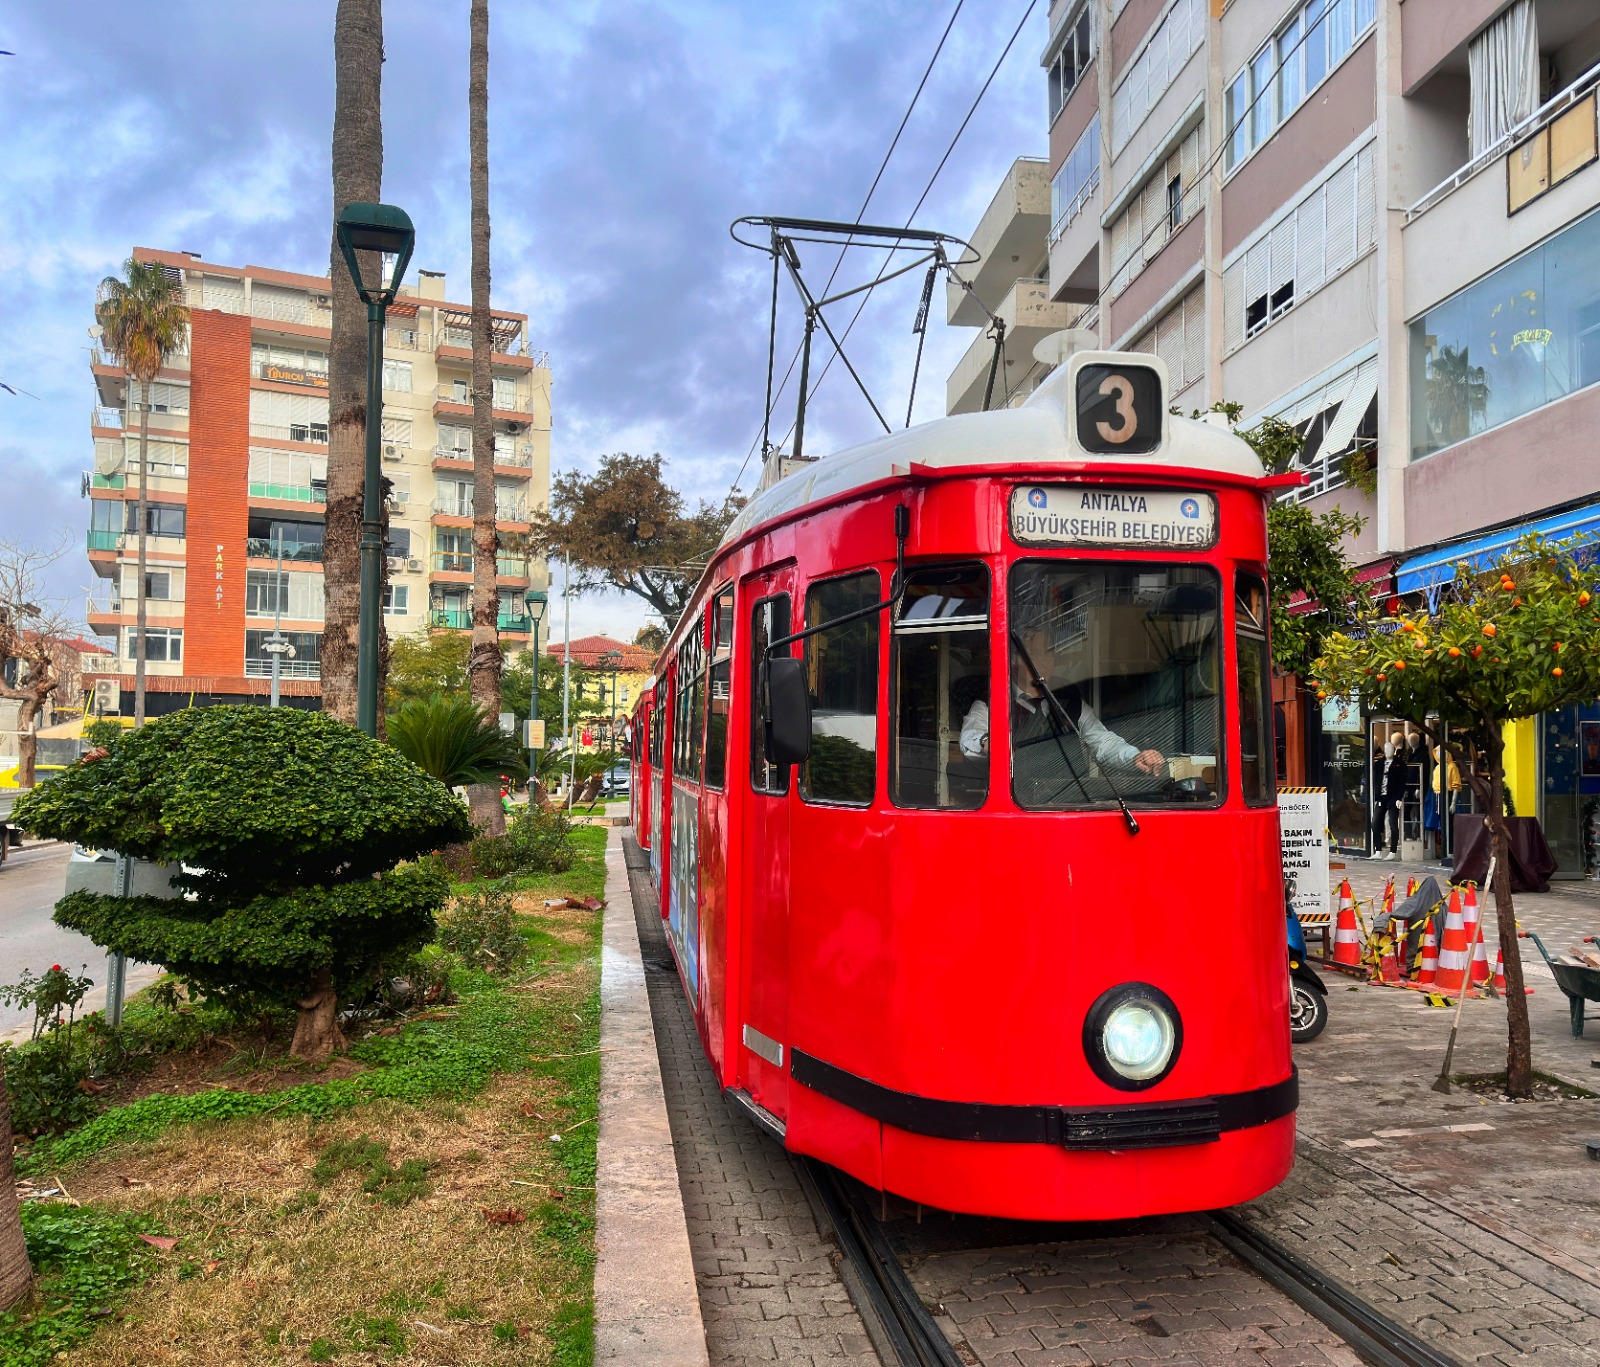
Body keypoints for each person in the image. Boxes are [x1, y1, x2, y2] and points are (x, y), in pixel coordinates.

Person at [959, 641, 1165, 775]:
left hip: (1067, 797)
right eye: (1034, 652)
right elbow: (971, 738)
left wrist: (1134, 757)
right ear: (1013, 659)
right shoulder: (992, 701)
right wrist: (987, 742)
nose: (1043, 660)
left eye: (1048, 653)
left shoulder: (1069, 700)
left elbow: (1103, 742)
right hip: (1019, 802)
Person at [1372, 740, 1408, 859]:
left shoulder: (1400, 764)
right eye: (1386, 750)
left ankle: (1393, 851)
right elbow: (1376, 780)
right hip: (1381, 797)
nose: (1388, 752)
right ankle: (1378, 850)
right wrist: (1376, 796)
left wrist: (1399, 797)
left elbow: (1402, 782)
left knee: (1393, 824)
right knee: (1375, 823)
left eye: (1391, 750)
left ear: (1394, 751)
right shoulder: (1379, 764)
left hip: (1393, 797)